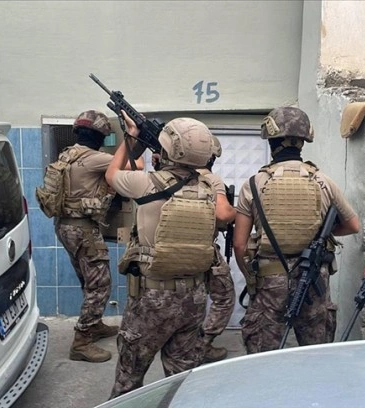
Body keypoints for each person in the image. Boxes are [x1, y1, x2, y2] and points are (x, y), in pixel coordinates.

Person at [106, 113, 232, 398]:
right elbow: (225, 216)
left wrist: (132, 137)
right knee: (181, 384)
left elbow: (111, 173)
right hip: (193, 299)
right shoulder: (210, 188)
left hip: (151, 300)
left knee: (128, 381)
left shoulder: (145, 183)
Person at [233, 106, 360, 354]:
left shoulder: (253, 184)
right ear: (303, 141)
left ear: (270, 141)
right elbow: (353, 225)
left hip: (270, 279)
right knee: (315, 355)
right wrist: (321, 232)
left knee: (263, 355)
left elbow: (239, 245)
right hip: (313, 276)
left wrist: (251, 279)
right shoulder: (323, 181)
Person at [54, 110, 143, 363]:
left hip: (65, 226)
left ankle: (94, 325)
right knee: (100, 285)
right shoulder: (95, 159)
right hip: (83, 230)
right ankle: (81, 342)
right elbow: (138, 166)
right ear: (101, 136)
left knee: (88, 279)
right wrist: (132, 136)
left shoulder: (68, 154)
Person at [198, 136, 236, 363]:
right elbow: (223, 215)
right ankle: (202, 345)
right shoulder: (210, 179)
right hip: (204, 249)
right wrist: (236, 212)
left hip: (168, 250)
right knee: (224, 297)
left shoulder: (167, 175)